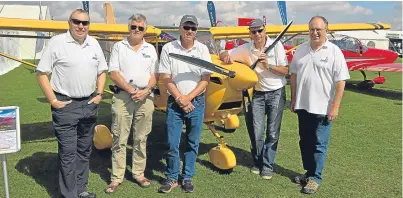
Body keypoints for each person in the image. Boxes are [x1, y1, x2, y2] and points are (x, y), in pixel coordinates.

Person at [36, 9, 107, 198]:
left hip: (89, 103)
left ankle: (81, 190)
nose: (81, 26)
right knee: (68, 153)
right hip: (66, 104)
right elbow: (42, 73)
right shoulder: (57, 42)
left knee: (84, 150)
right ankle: (69, 195)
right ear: (69, 22)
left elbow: (102, 71)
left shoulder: (94, 43)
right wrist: (53, 100)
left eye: (85, 23)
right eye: (77, 22)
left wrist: (99, 94)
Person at [219, 19, 289, 180]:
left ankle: (268, 166)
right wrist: (225, 56)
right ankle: (257, 162)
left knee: (272, 132)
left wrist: (269, 66)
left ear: (265, 31)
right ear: (249, 34)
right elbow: (224, 53)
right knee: (256, 131)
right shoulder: (245, 48)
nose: (257, 34)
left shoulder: (276, 46)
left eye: (259, 31)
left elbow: (286, 70)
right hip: (256, 94)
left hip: (276, 92)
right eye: (253, 32)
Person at [289, 16, 350, 194]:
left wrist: (335, 106)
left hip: (323, 108)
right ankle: (308, 173)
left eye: (318, 29)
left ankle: (316, 178)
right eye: (312, 29)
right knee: (305, 142)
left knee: (319, 144)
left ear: (326, 31)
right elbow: (293, 75)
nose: (315, 33)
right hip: (303, 105)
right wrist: (293, 99)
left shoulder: (334, 51)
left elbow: (341, 81)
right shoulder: (301, 49)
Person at [104, 14, 158, 193]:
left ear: (145, 30)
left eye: (140, 28)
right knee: (119, 137)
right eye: (133, 27)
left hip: (145, 96)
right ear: (129, 28)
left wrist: (146, 91)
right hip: (123, 95)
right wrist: (131, 90)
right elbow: (113, 72)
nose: (136, 30)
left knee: (141, 137)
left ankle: (138, 173)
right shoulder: (119, 46)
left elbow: (155, 75)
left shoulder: (150, 49)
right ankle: (116, 177)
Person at [158, 14, 212, 193]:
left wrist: (188, 98)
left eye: (193, 28)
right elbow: (166, 77)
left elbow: (206, 78)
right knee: (172, 142)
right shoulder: (168, 48)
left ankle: (187, 176)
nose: (189, 31)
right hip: (175, 103)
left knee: (192, 142)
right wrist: (181, 98)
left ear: (196, 30)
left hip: (196, 102)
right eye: (186, 27)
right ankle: (172, 177)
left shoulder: (203, 50)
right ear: (180, 28)